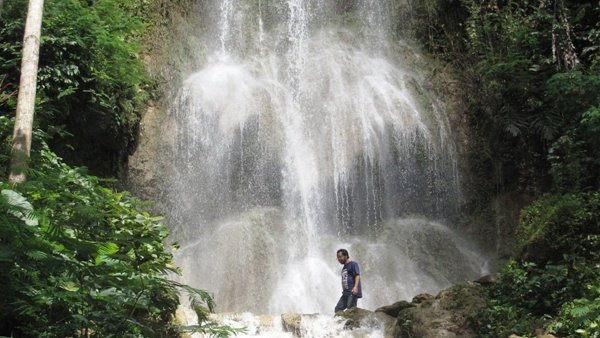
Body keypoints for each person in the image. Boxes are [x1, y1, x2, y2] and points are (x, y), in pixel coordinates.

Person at [334, 249, 362, 313]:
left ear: (346, 256)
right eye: (338, 257)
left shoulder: (353, 264)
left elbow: (357, 275)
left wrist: (355, 287)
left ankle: (352, 322)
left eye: (340, 256)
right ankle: (342, 322)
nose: (339, 259)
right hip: (345, 293)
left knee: (350, 310)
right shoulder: (344, 267)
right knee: (337, 309)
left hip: (352, 292)